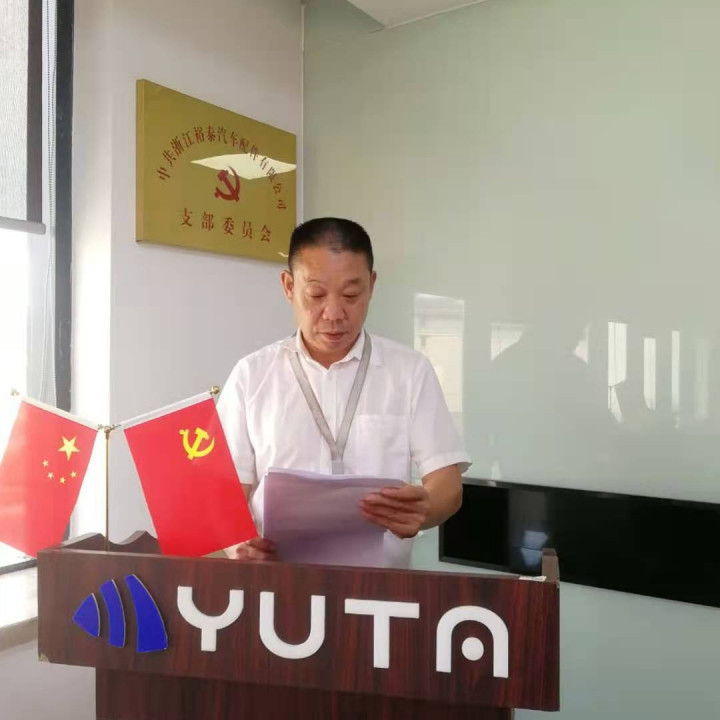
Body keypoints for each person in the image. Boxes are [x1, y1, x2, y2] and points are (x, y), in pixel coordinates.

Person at [217, 217, 470, 568]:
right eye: (316, 295)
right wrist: (236, 543)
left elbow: (447, 483)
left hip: (379, 587)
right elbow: (227, 493)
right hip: (279, 583)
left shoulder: (409, 371)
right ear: (289, 286)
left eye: (351, 295)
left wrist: (425, 509)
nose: (334, 314)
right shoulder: (252, 376)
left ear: (372, 285)